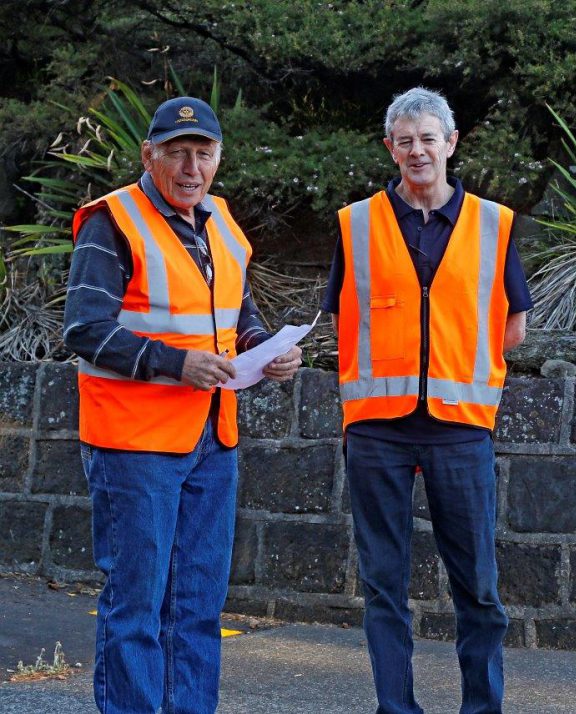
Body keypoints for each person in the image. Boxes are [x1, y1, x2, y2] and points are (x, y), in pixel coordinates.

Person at [64, 96, 302, 713]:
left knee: (197, 607)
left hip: (212, 439)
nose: (192, 168)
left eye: (204, 153)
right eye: (177, 153)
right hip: (135, 442)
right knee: (137, 605)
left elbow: (239, 312)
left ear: (219, 158)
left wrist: (266, 348)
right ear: (149, 155)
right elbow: (85, 329)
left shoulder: (221, 221)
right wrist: (178, 364)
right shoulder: (113, 221)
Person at [322, 86, 532, 714]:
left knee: (480, 590)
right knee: (383, 587)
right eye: (405, 141)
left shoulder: (495, 223)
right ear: (391, 148)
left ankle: (481, 708)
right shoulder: (355, 223)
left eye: (428, 139)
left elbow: (514, 327)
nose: (418, 151)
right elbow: (339, 316)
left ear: (451, 143)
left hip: (460, 426)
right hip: (376, 428)